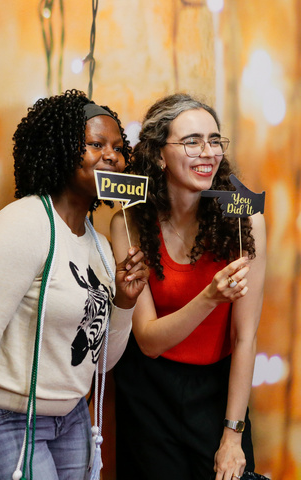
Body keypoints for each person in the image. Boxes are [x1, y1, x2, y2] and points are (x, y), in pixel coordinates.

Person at [0, 89, 149, 480]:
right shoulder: (24, 223)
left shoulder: (100, 247)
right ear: (60, 149)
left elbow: (101, 363)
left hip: (70, 419)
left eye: (119, 148)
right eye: (95, 144)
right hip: (3, 419)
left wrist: (123, 302)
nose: (112, 156)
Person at [110, 93, 266, 480]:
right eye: (192, 141)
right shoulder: (128, 223)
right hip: (148, 390)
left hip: (217, 389)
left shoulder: (245, 223)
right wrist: (211, 296)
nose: (207, 152)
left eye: (214, 140)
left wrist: (232, 436)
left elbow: (245, 337)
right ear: (160, 155)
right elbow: (147, 340)